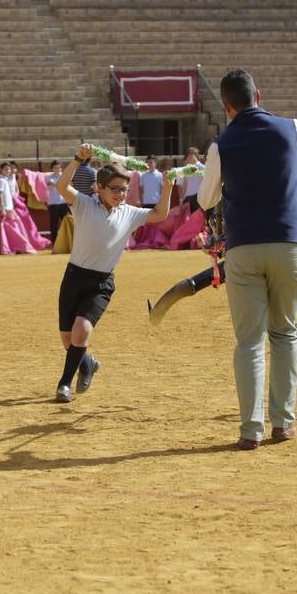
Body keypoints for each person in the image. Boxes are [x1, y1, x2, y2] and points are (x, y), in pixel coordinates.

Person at [197, 69, 297, 451]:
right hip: (290, 245)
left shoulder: (221, 144)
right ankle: (284, 422)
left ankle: (250, 429)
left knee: (249, 341)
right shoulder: (291, 130)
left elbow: (205, 199)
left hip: (243, 249)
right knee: (285, 333)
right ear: (258, 94)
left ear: (226, 106)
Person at [52, 144, 174, 403]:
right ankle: (88, 364)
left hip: (101, 282)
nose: (121, 194)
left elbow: (161, 213)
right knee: (67, 339)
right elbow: (62, 187)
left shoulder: (129, 213)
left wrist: (168, 187)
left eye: (125, 189)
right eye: (116, 189)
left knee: (81, 330)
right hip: (74, 277)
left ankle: (64, 384)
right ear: (100, 188)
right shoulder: (84, 204)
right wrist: (76, 160)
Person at [44, 160, 70, 238]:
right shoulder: (48, 177)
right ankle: (54, 242)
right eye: (55, 168)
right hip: (53, 203)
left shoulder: (65, 176)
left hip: (64, 203)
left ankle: (66, 241)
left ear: (61, 168)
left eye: (59, 167)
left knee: (66, 223)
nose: (57, 169)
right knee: (54, 224)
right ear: (52, 169)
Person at [178, 147, 205, 213]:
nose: (189, 157)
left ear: (195, 156)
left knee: (197, 219)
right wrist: (181, 199)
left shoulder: (202, 167)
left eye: (191, 155)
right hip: (187, 198)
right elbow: (184, 184)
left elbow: (206, 184)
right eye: (188, 155)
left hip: (198, 197)